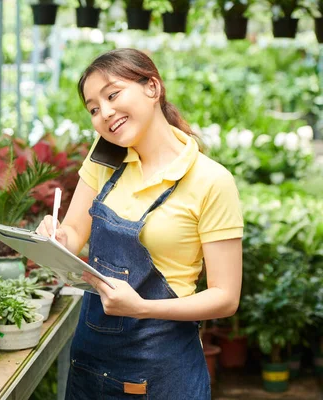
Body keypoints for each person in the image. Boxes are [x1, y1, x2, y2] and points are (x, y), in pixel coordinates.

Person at [35, 48, 243, 399]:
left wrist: (142, 307)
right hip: (90, 360)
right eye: (94, 109)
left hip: (163, 368)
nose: (105, 114)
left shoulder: (210, 180)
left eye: (112, 95)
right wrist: (54, 236)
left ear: (152, 87)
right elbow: (71, 234)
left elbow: (225, 297)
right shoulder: (105, 156)